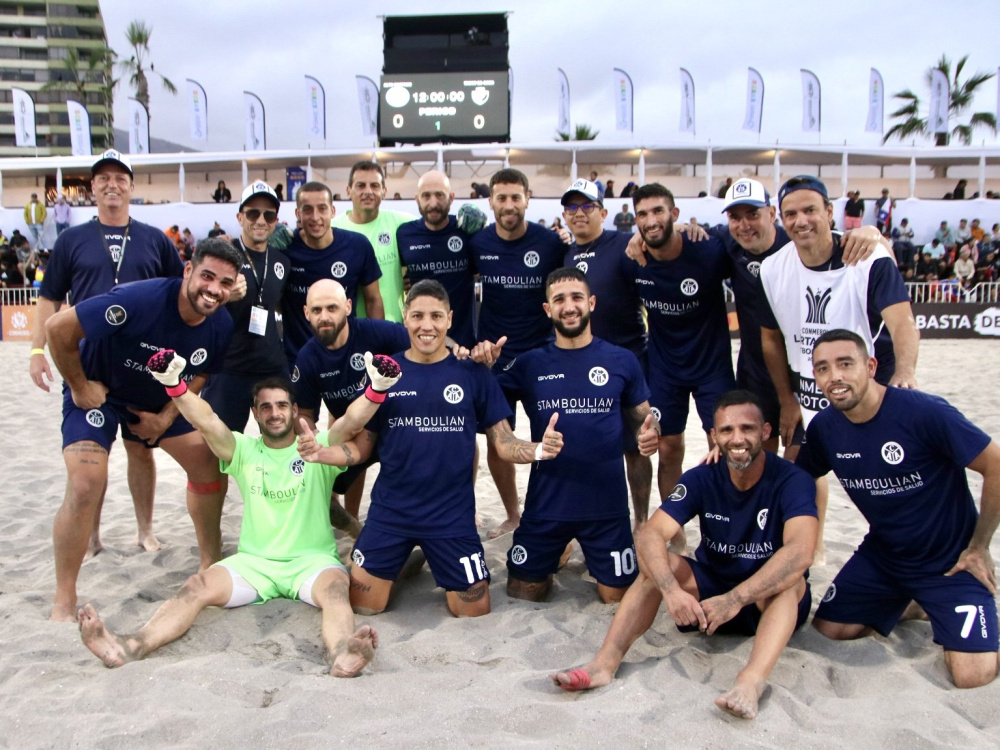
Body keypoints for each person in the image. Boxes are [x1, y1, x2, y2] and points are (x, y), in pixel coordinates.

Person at [78, 356, 395, 675]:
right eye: (266, 407)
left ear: (294, 410)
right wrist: (175, 386)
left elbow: (350, 422)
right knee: (196, 585)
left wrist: (377, 389)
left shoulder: (317, 446)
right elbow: (207, 421)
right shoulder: (243, 449)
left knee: (337, 590)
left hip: (312, 562)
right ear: (255, 413)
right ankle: (131, 646)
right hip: (255, 564)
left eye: (282, 405)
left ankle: (341, 653)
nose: (275, 413)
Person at [552, 390, 817, 720]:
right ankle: (604, 664)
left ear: (765, 432)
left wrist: (735, 599)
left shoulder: (792, 480)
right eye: (727, 430)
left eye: (747, 429)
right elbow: (650, 533)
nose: (737, 439)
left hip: (767, 600)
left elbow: (801, 552)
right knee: (656, 567)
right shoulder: (702, 476)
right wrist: (670, 590)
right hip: (713, 593)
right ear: (714, 436)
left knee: (789, 582)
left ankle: (750, 681)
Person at [311, 279, 563, 618]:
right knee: (364, 607)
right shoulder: (386, 373)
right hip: (391, 513)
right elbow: (362, 448)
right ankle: (406, 559)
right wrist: (326, 454)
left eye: (435, 316)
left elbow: (503, 443)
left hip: (451, 517)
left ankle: (420, 555)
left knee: (473, 612)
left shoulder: (473, 373)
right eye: (417, 316)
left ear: (449, 319)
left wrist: (539, 449)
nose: (426, 325)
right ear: (405, 317)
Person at [44, 238, 240, 622]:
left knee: (209, 464)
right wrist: (80, 386)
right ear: (188, 270)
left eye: (225, 283)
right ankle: (64, 600)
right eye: (207, 276)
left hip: (157, 401)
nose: (214, 289)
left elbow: (201, 373)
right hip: (100, 393)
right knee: (85, 482)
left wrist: (165, 418)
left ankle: (209, 561)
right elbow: (57, 328)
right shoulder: (138, 300)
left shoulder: (221, 324)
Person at [799, 329, 1000, 689]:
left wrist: (980, 546)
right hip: (885, 558)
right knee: (831, 630)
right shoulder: (825, 428)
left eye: (845, 364)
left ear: (870, 366)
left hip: (950, 562)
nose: (835, 377)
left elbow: (995, 465)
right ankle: (914, 604)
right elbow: (797, 480)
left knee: (972, 676)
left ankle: (935, 602)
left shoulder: (923, 411)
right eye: (823, 368)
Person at [30, 150, 184, 562]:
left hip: (141, 367)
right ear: (93, 188)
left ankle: (145, 530)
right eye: (103, 178)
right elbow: (48, 299)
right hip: (88, 366)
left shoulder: (155, 239)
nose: (112, 184)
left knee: (141, 450)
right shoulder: (71, 240)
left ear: (132, 187)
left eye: (120, 178)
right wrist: (36, 349)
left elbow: (179, 295)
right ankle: (93, 536)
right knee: (93, 455)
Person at [488, 267, 659, 602]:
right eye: (559, 300)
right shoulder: (529, 364)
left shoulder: (622, 360)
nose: (569, 307)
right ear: (547, 309)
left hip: (607, 512)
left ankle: (579, 549)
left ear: (591, 302)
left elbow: (646, 420)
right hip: (546, 508)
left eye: (577, 297)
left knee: (617, 598)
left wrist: (652, 433)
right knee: (524, 594)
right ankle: (560, 548)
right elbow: (486, 399)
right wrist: (484, 367)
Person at [759, 175, 919, 443]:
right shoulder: (772, 269)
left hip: (867, 387)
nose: (801, 221)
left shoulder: (868, 258)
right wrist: (787, 400)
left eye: (810, 210)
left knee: (873, 460)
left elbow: (903, 322)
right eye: (791, 214)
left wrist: (905, 373)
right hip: (810, 392)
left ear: (829, 212)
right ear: (782, 219)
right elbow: (771, 339)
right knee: (801, 463)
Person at [626, 182, 736, 552]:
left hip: (712, 366)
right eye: (642, 214)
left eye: (658, 211)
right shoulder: (634, 258)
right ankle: (676, 526)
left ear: (674, 213)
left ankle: (723, 524)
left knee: (722, 443)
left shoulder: (707, 248)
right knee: (669, 446)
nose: (650, 220)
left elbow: (745, 240)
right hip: (665, 367)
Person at [472, 168, 567, 538]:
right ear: (491, 201)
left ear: (528, 198)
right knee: (498, 439)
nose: (509, 205)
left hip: (542, 354)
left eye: (515, 197)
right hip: (496, 358)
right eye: (502, 197)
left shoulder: (551, 243)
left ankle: (551, 512)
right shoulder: (479, 243)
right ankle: (513, 515)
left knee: (551, 434)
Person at [562, 180, 652, 528]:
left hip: (628, 360)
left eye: (587, 206)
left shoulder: (625, 245)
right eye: (572, 207)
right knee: (582, 444)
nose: (579, 213)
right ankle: (584, 519)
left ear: (603, 212)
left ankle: (641, 521)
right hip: (581, 365)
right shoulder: (566, 253)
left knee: (636, 446)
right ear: (564, 216)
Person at [292, 279, 410, 522]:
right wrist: (312, 437)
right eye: (316, 310)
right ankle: (349, 520)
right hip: (352, 433)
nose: (324, 316)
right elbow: (303, 413)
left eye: (332, 308)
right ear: (306, 313)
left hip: (397, 425)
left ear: (347, 307)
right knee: (318, 469)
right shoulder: (307, 358)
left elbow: (422, 344)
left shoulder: (377, 332)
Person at [201, 181, 290, 432]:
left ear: (275, 221)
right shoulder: (222, 256)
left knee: (281, 441)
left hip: (272, 365)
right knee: (220, 444)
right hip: (229, 367)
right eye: (253, 213)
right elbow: (194, 303)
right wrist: (224, 296)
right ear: (240, 217)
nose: (261, 220)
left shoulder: (282, 261)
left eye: (268, 215)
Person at [279, 180, 383, 365]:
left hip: (346, 357)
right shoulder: (285, 249)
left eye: (322, 209)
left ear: (333, 211)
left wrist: (377, 350)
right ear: (297, 213)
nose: (315, 217)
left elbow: (373, 299)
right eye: (307, 210)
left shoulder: (357, 246)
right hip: (298, 358)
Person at [396, 170, 477, 349]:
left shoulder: (465, 231)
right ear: (417, 199)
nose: (433, 203)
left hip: (464, 344)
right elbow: (397, 274)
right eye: (426, 196)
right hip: (422, 340)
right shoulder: (404, 234)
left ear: (451, 197)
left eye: (439, 195)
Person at [331, 161, 412, 322]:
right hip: (348, 331)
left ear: (384, 191)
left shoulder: (400, 223)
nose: (368, 191)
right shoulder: (333, 228)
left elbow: (432, 231)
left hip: (393, 328)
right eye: (361, 185)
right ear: (348, 191)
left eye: (374, 186)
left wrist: (416, 275)